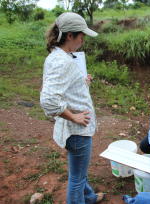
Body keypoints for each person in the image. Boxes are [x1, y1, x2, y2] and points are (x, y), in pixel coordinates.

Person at [40, 12, 104, 204]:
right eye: (81, 34)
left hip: (73, 132)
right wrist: (74, 117)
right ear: (70, 36)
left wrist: (82, 83)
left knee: (78, 171)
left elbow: (63, 89)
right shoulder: (62, 61)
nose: (83, 38)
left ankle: (90, 198)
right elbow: (48, 99)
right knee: (76, 179)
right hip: (77, 131)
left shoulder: (60, 56)